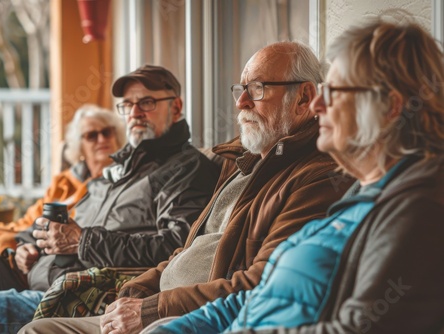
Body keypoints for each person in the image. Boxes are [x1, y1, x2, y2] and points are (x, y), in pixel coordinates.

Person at [19, 41, 355, 334]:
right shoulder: (241, 163)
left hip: (190, 318)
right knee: (39, 329)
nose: (241, 104)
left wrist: (150, 309)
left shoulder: (316, 177)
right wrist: (134, 293)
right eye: (241, 91)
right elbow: (186, 250)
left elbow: (262, 283)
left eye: (258, 89)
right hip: (153, 304)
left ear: (304, 98)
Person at [142, 15, 444, 334]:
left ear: (390, 107)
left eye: (337, 90)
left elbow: (359, 328)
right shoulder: (359, 198)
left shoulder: (417, 209)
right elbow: (257, 296)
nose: (318, 104)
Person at [0, 65, 220, 333]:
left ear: (176, 107)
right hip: (35, 275)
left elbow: (175, 245)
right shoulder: (119, 169)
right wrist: (25, 249)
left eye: (147, 102)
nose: (135, 112)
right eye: (127, 104)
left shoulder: (184, 167)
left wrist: (82, 241)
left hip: (70, 295)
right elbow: (65, 224)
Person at [0, 104, 126, 256]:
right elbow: (31, 218)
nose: (101, 139)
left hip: (60, 252)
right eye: (91, 135)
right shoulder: (63, 181)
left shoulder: (123, 179)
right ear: (80, 146)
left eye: (107, 132)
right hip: (31, 241)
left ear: (117, 136)